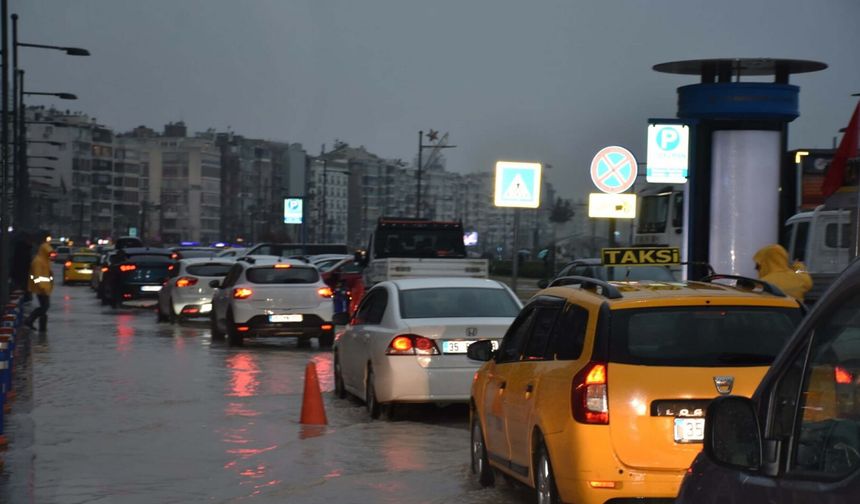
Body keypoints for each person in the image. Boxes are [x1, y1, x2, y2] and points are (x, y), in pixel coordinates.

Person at [24, 242, 55, 331]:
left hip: (45, 288)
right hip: (41, 289)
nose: (50, 255)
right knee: (45, 306)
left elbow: (48, 274)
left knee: (44, 307)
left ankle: (36, 324)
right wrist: (42, 287)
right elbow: (36, 276)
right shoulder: (38, 261)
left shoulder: (45, 261)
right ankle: (30, 320)